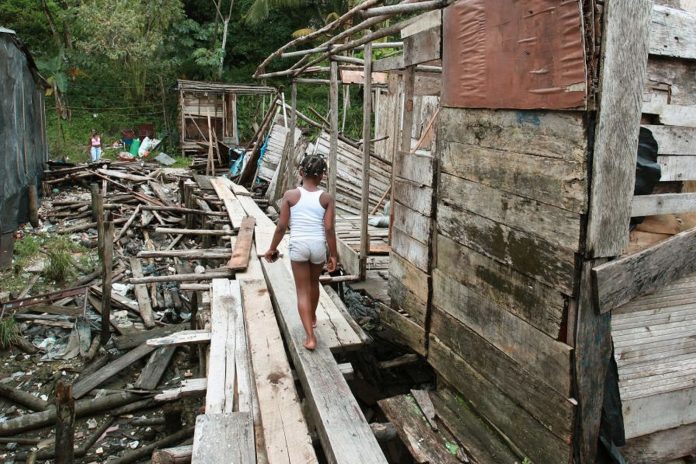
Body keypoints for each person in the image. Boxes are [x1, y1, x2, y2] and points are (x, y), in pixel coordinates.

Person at [263, 155, 338, 351]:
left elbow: (281, 226)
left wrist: (272, 248)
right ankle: (312, 316)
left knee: (302, 291)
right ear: (322, 175)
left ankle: (310, 337)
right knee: (314, 284)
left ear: (301, 172)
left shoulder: (290, 196)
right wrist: (334, 255)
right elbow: (329, 229)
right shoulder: (326, 198)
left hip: (299, 246)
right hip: (318, 246)